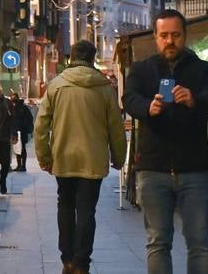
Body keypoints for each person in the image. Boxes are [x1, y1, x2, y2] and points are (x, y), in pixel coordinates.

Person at [123, 10, 208, 274]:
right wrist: (149, 107)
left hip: (193, 168)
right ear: (155, 37)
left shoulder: (203, 69)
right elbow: (129, 99)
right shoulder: (141, 70)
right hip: (153, 169)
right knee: (158, 241)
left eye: (176, 35)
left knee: (199, 241)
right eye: (164, 35)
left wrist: (194, 100)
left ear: (185, 36)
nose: (170, 41)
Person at [34, 39, 126, 274]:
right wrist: (119, 156)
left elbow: (41, 125)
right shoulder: (105, 87)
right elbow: (115, 126)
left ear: (71, 57)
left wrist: (44, 156)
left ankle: (67, 259)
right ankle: (82, 262)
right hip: (93, 159)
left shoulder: (56, 85)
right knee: (86, 210)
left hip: (63, 157)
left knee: (65, 206)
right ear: (92, 58)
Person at [10, 90, 34, 171]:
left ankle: (23, 166)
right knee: (17, 148)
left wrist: (27, 127)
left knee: (22, 148)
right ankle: (19, 165)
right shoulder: (12, 107)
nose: (13, 99)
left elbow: (29, 118)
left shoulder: (23, 107)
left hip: (22, 130)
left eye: (14, 98)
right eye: (12, 98)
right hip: (15, 131)